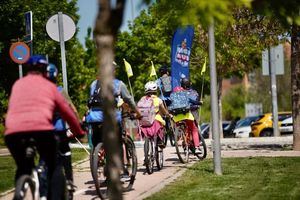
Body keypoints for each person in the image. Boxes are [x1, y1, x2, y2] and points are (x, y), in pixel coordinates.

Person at [4, 55, 85, 200]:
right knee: (53, 165)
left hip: (13, 134)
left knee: (23, 167)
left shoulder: (18, 84)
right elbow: (68, 112)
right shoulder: (50, 87)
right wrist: (79, 131)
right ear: (45, 70)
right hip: (41, 130)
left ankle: (20, 191)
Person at [85, 64, 142, 147]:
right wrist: (138, 113)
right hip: (111, 118)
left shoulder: (94, 84)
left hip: (95, 117)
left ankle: (97, 155)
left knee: (96, 139)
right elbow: (129, 100)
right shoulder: (119, 84)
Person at [46, 63, 78, 193]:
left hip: (43, 131)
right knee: (66, 154)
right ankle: (69, 181)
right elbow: (72, 109)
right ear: (56, 76)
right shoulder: (60, 90)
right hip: (59, 130)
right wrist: (77, 124)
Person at [171, 78, 202, 152]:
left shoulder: (176, 94)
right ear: (189, 84)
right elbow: (195, 101)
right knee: (194, 129)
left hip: (176, 116)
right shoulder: (193, 92)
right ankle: (197, 146)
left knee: (179, 126)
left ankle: (180, 138)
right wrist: (199, 103)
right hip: (189, 113)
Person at [138, 81, 171, 147]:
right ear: (156, 90)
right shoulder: (158, 100)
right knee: (162, 123)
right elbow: (164, 111)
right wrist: (168, 115)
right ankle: (160, 140)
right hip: (155, 119)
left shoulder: (142, 99)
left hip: (144, 120)